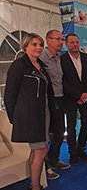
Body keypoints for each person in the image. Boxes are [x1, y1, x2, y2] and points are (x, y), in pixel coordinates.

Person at [4, 33, 54, 190]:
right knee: (41, 151)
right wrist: (15, 118)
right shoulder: (19, 66)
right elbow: (10, 94)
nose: (38, 47)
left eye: (40, 44)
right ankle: (35, 186)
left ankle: (34, 185)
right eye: (34, 44)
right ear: (25, 46)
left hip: (44, 114)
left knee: (37, 151)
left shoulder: (41, 66)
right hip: (30, 116)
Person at [39, 30, 70, 180]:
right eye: (57, 39)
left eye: (62, 39)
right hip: (46, 102)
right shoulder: (41, 58)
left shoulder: (58, 58)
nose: (61, 42)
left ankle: (53, 160)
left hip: (59, 99)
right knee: (46, 136)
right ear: (48, 40)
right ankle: (44, 168)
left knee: (59, 132)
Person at [61, 34, 87, 165]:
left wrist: (85, 94)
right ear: (66, 44)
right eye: (72, 42)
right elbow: (63, 81)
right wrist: (77, 95)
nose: (75, 44)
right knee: (71, 127)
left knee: (86, 124)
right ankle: (72, 153)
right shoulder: (62, 60)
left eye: (77, 42)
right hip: (70, 99)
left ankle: (81, 149)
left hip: (86, 98)